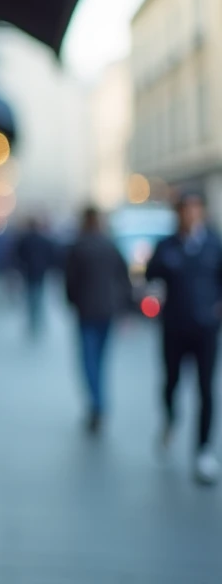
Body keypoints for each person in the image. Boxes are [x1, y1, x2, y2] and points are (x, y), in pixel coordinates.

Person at [146, 191, 221, 486]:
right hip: (174, 329)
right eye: (185, 209)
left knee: (206, 390)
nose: (191, 214)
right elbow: (150, 274)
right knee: (171, 382)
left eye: (195, 209)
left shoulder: (214, 244)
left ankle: (203, 450)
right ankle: (170, 419)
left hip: (206, 330)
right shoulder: (167, 246)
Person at [63, 206, 132, 435]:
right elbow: (124, 277)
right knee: (101, 360)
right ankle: (99, 403)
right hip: (107, 310)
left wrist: (73, 302)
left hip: (86, 311)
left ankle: (97, 404)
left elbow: (70, 281)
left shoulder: (79, 246)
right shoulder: (109, 245)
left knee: (89, 360)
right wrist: (122, 305)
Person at [13, 217, 57, 338]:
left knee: (31, 298)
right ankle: (37, 321)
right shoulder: (43, 240)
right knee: (38, 297)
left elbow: (17, 255)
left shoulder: (24, 240)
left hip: (28, 272)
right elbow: (51, 255)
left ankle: (33, 322)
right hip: (40, 272)